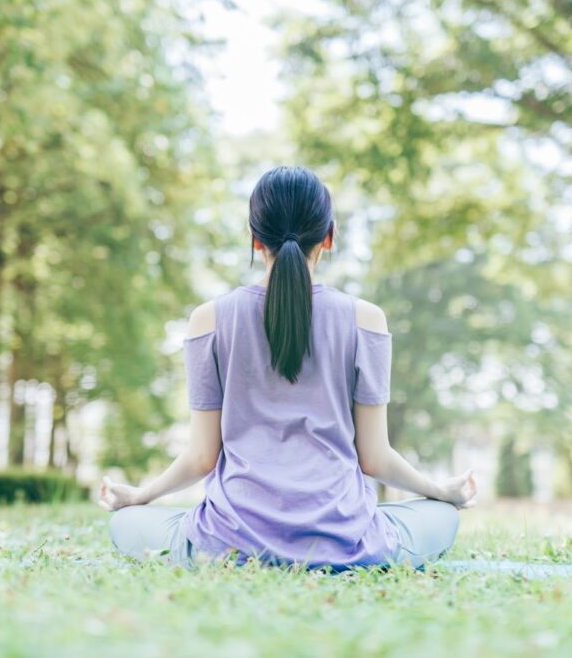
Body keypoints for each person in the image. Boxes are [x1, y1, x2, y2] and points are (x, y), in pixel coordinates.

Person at [100, 166, 477, 570]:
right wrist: (440, 491)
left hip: (228, 543)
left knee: (128, 524)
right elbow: (375, 459)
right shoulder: (366, 319)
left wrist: (143, 495)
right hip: (345, 543)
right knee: (440, 516)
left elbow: (201, 458)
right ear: (329, 237)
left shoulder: (208, 319)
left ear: (255, 238)